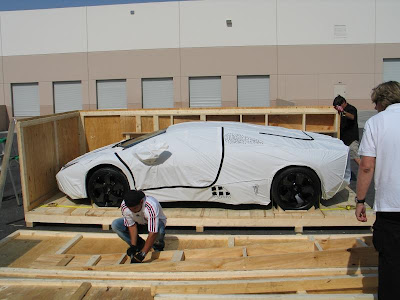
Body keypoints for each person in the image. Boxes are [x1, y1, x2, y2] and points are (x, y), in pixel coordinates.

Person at [355, 81, 400, 299]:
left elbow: (366, 166)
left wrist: (360, 200)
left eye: (375, 104)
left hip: (392, 209)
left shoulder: (377, 123)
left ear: (382, 102)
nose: (374, 108)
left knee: (391, 266)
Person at [111, 189, 167, 263]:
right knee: (116, 225)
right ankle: (139, 245)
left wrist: (142, 254)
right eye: (131, 209)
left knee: (159, 229)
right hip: (138, 223)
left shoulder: (150, 206)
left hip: (155, 225)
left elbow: (153, 232)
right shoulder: (125, 207)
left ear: (141, 202)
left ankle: (157, 248)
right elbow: (132, 226)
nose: (133, 211)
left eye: (135, 208)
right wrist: (133, 246)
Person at [333, 95, 361, 166]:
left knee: (356, 157)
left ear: (343, 103)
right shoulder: (339, 112)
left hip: (351, 139)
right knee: (343, 159)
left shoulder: (351, 109)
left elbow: (352, 117)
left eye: (339, 106)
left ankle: (364, 171)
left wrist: (343, 112)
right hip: (342, 139)